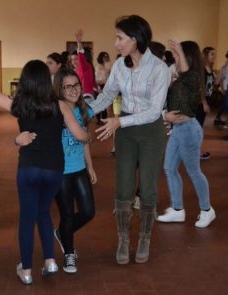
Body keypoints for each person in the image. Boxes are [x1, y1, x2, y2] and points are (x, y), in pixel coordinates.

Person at [0, 49, 90, 284]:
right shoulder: (60, 105)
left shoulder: (19, 105)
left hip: (29, 169)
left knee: (27, 218)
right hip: (54, 171)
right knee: (43, 213)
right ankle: (50, 261)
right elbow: (81, 136)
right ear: (47, 80)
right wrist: (88, 134)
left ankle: (27, 269)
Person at [87, 15, 171, 264]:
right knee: (123, 187)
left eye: (120, 38)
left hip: (150, 132)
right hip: (125, 132)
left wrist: (119, 121)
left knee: (147, 188)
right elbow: (107, 95)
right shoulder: (120, 67)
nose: (116, 43)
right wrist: (84, 112)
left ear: (135, 40)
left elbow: (155, 111)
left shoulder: (159, 68)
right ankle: (124, 239)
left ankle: (144, 238)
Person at [156, 40, 216, 227]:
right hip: (178, 130)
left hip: (189, 130)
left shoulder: (194, 77)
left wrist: (179, 52)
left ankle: (207, 210)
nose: (174, 59)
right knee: (169, 167)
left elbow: (186, 72)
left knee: (194, 171)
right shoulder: (182, 77)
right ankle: (177, 209)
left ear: (188, 57)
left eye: (178, 56)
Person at [52, 68, 96, 273]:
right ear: (59, 89)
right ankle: (69, 253)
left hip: (79, 169)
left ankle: (62, 233)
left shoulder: (83, 109)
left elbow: (85, 140)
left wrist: (90, 166)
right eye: (67, 86)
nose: (73, 90)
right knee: (67, 214)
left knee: (88, 211)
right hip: (60, 172)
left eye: (76, 85)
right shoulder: (55, 112)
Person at [197, 47, 216, 160]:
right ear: (205, 55)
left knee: (199, 126)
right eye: (212, 54)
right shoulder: (202, 68)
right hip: (200, 102)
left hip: (205, 100)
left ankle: (196, 151)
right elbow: (200, 87)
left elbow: (210, 85)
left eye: (215, 54)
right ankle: (196, 152)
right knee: (198, 127)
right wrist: (204, 102)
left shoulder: (209, 68)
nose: (215, 56)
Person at [72, 30, 97, 103]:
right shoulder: (87, 67)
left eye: (76, 59)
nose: (73, 62)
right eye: (72, 60)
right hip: (85, 97)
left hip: (85, 98)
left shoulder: (85, 66)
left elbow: (81, 55)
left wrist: (79, 43)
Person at [95, 51, 111, 124]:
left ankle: (104, 119)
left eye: (107, 56)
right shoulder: (97, 66)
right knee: (98, 103)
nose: (106, 58)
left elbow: (109, 77)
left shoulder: (108, 65)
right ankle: (98, 119)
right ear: (101, 57)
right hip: (98, 86)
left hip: (105, 86)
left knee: (104, 103)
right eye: (104, 57)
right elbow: (96, 77)